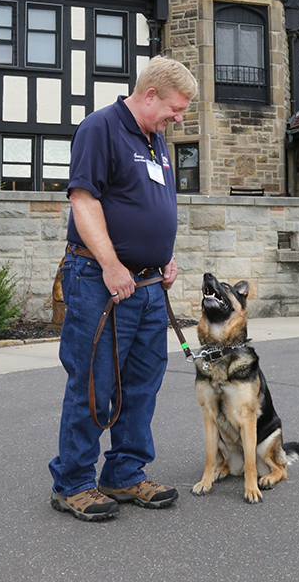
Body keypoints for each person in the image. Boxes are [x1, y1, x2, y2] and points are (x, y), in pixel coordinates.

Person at [49, 56, 198, 521]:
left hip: (149, 284)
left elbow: (149, 205)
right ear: (149, 94)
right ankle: (72, 483)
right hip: (101, 279)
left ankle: (125, 473)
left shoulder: (157, 142)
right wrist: (113, 265)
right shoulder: (101, 128)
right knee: (95, 384)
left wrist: (164, 257)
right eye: (175, 109)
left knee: (142, 384)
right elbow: (83, 200)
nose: (179, 118)